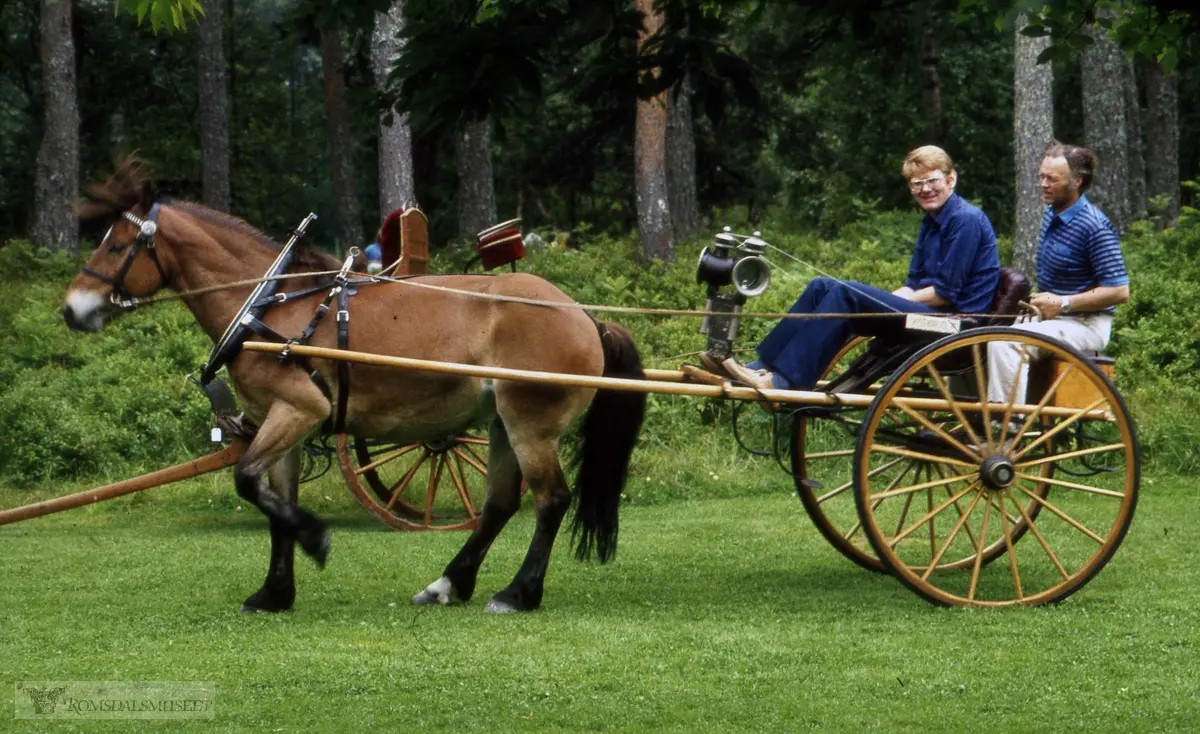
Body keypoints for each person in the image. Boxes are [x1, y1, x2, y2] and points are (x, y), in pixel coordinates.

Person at [722, 145, 1001, 391]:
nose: (925, 189)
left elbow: (945, 294)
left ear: (951, 178)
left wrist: (875, 301)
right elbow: (914, 283)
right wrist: (879, 302)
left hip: (953, 324)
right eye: (916, 184)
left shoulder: (966, 220)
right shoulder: (931, 220)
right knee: (822, 286)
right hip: (932, 313)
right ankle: (761, 365)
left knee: (848, 292)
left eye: (932, 181)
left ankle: (784, 381)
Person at [986, 143, 1130, 405]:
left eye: (1052, 178)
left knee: (1006, 343)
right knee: (978, 334)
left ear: (1077, 181)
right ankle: (975, 421)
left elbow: (1119, 291)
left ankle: (1004, 435)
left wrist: (1063, 302)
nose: (1043, 183)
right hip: (1054, 319)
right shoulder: (1052, 214)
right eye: (1041, 176)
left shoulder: (1094, 225)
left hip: (1086, 324)